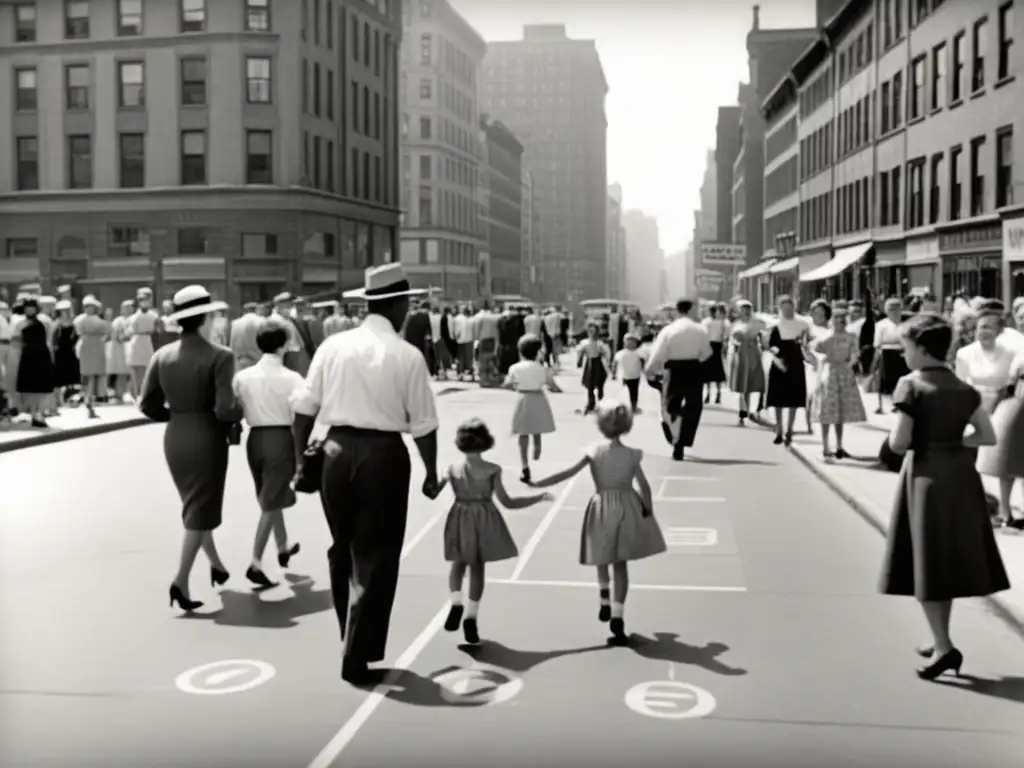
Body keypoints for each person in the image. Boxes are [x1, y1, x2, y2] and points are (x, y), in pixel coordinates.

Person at [291, 263, 440, 687]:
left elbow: (303, 409)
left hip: (335, 451)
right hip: (383, 455)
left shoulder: (333, 346)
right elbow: (424, 425)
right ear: (399, 305)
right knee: (377, 555)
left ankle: (349, 636)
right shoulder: (407, 355)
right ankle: (356, 651)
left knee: (344, 548)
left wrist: (302, 463)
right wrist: (431, 472)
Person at [879, 313, 1009, 681]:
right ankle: (939, 638)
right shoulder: (964, 388)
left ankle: (944, 648)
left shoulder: (910, 385)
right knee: (941, 561)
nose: (903, 354)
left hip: (924, 476)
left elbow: (900, 442)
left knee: (926, 563)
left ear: (920, 348)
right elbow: (986, 436)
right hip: (959, 477)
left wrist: (910, 439)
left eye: (905, 347)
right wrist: (953, 442)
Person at [139, 285, 242, 612]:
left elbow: (146, 404)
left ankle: (217, 565)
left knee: (197, 505)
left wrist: (176, 414)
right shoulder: (220, 356)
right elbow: (226, 409)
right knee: (200, 508)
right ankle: (180, 580)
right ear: (206, 317)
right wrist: (242, 409)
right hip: (206, 436)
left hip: (176, 434)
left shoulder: (162, 355)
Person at [529, 399, 666, 645]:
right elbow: (644, 486)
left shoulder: (593, 451)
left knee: (601, 554)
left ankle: (603, 596)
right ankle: (617, 614)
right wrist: (647, 510)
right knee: (620, 563)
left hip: (601, 504)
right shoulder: (632, 454)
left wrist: (540, 483)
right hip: (627, 505)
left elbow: (568, 472)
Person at [437, 419, 551, 645]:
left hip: (459, 516)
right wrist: (538, 497)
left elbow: (432, 490)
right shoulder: (492, 470)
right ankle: (471, 615)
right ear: (485, 442)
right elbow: (508, 502)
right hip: (484, 517)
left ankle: (456, 602)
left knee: (458, 564)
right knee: (477, 567)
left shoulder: (452, 469)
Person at [233, 320, 305, 589]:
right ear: (284, 345)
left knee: (268, 494)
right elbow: (303, 412)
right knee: (271, 500)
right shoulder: (292, 378)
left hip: (255, 438)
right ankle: (255, 562)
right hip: (280, 436)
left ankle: (282, 545)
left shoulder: (243, 376)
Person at [645, 298, 714, 461]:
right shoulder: (699, 329)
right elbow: (707, 352)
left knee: (671, 405)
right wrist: (697, 360)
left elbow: (658, 352)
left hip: (673, 369)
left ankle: (675, 436)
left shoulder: (668, 330)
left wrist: (650, 370)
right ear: (691, 310)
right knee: (693, 406)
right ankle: (683, 440)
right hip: (693, 368)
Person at [504, 333, 561, 483]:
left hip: (523, 397)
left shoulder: (515, 368)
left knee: (523, 432)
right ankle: (537, 448)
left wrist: (516, 386)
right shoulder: (542, 368)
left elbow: (508, 383)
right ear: (537, 351)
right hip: (538, 397)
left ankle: (525, 465)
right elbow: (552, 385)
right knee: (537, 426)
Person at [811, 307, 867, 460]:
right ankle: (825, 446)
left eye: (843, 318)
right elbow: (813, 348)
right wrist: (820, 360)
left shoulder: (851, 336)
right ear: (832, 320)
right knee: (827, 409)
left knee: (840, 411)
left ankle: (839, 446)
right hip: (829, 372)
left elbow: (856, 353)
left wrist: (849, 364)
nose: (840, 321)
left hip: (844, 372)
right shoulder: (825, 336)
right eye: (837, 318)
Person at [766, 296, 811, 446]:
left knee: (794, 398)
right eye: (784, 307)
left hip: (795, 361)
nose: (787, 310)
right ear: (780, 308)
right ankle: (779, 429)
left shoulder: (803, 324)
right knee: (778, 399)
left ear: (794, 307)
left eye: (789, 307)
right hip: (780, 361)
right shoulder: (775, 324)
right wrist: (775, 353)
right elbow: (770, 344)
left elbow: (807, 343)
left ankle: (790, 430)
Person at [75, 295, 110, 418]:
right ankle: (88, 399)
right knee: (87, 375)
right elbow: (78, 331)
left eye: (91, 307)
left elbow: (107, 331)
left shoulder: (99, 321)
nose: (89, 309)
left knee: (96, 376)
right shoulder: (81, 320)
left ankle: (92, 400)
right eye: (87, 307)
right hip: (86, 347)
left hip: (97, 348)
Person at [577, 323, 612, 414]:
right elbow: (580, 353)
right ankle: (590, 403)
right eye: (590, 331)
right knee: (589, 384)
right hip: (589, 364)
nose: (592, 334)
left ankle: (601, 403)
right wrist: (579, 361)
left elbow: (607, 353)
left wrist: (608, 362)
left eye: (594, 331)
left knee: (600, 384)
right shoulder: (584, 343)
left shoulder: (600, 344)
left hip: (598, 364)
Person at [701, 304, 728, 404]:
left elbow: (724, 335)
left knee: (716, 371)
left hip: (715, 346)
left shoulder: (719, 322)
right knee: (711, 371)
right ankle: (711, 393)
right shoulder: (709, 322)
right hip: (711, 345)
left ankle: (716, 393)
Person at [612, 333, 645, 413]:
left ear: (635, 343)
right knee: (623, 392)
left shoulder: (638, 354)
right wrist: (613, 373)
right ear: (624, 343)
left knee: (634, 392)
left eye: (632, 342)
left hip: (635, 376)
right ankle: (622, 406)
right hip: (623, 376)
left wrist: (644, 371)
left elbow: (643, 363)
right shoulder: (620, 353)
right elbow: (614, 363)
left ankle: (633, 406)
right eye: (628, 342)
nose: (630, 344)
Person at [230, 302, 264, 371]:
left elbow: (232, 343)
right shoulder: (262, 321)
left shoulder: (235, 323)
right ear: (257, 310)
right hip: (258, 360)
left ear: (244, 311)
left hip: (241, 360)